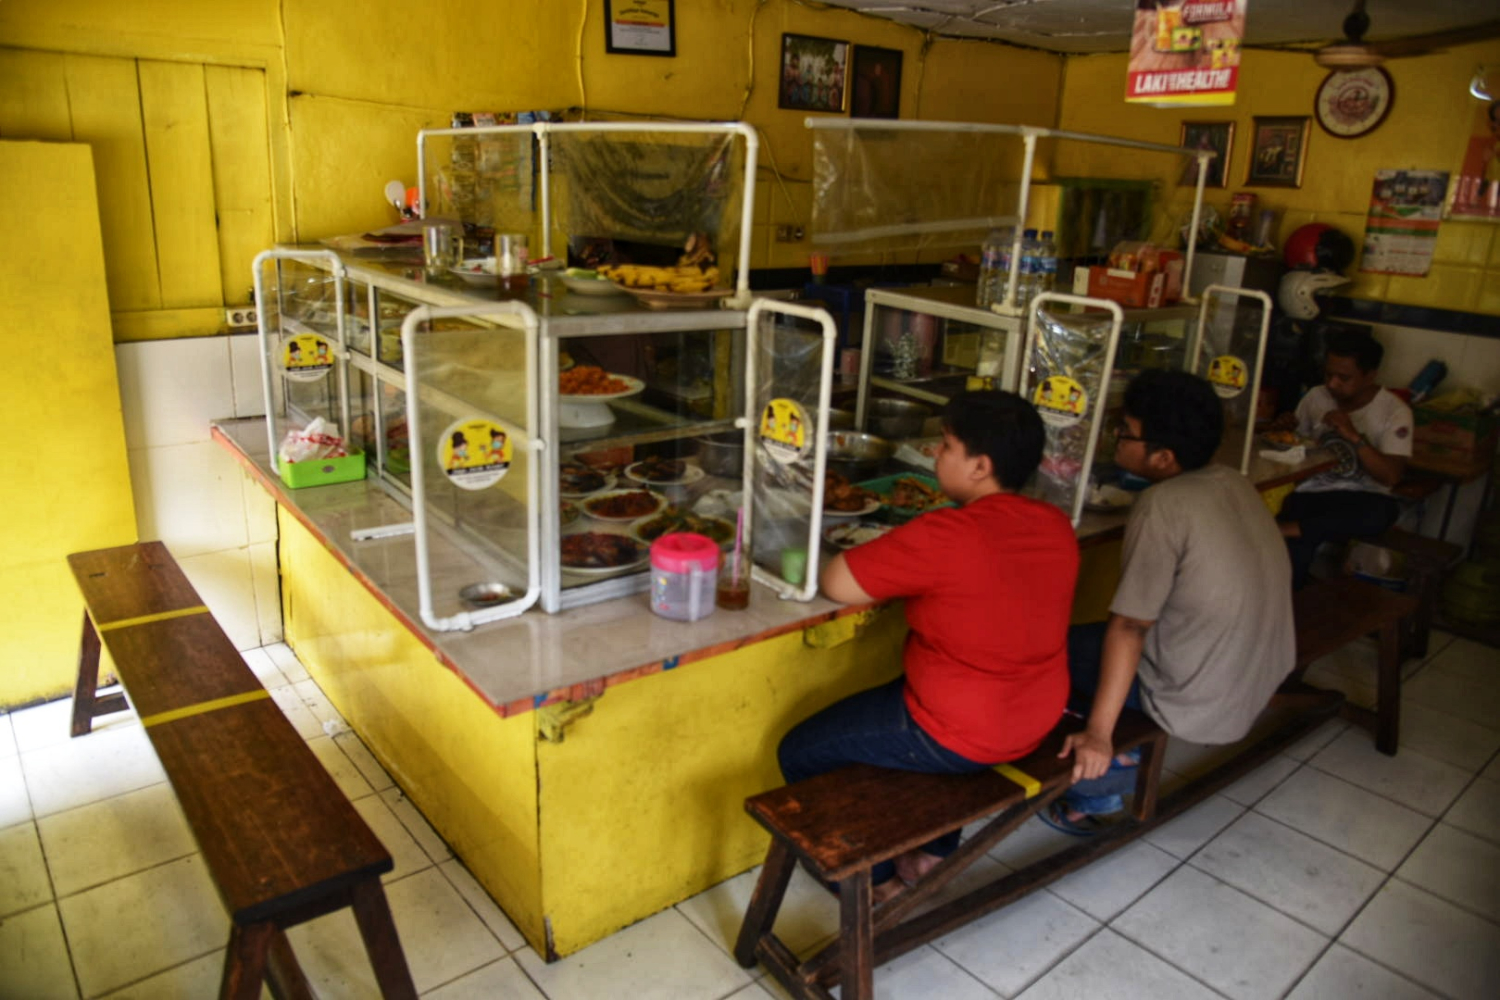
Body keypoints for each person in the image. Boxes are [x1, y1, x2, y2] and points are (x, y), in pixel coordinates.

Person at [778, 390, 1078, 898]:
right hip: (1037, 713)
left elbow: (837, 582)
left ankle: (872, 883)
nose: (935, 455)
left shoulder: (950, 532)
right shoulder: (1055, 525)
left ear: (980, 466)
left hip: (961, 726)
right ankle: (931, 853)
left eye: (945, 445)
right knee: (911, 726)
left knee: (800, 752)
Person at [1046, 370, 1294, 834]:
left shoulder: (1163, 505)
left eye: (1125, 434)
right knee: (1088, 645)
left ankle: (1098, 788)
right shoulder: (1232, 480)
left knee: (1048, 652)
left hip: (1197, 699)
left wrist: (1100, 733)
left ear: (1163, 457)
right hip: (1259, 674)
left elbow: (1130, 627)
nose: (1117, 441)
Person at [1273, 327, 1411, 590]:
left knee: (1383, 512)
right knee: (1295, 536)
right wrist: (1283, 430)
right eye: (1328, 374)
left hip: (1360, 498)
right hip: (1311, 492)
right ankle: (1289, 603)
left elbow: (1391, 476)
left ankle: (1290, 530)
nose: (1332, 383)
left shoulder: (1395, 412)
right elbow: (1296, 451)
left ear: (1370, 375)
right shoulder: (1315, 397)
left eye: (1344, 378)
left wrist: (1353, 436)